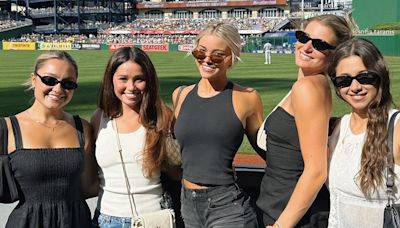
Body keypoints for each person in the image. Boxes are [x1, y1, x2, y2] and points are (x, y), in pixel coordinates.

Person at [256, 14, 353, 228]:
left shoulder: (308, 88)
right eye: (302, 37)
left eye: (319, 44)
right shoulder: (311, 84)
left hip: (290, 216)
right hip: (284, 209)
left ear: (335, 55)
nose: (306, 47)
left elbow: (316, 170)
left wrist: (283, 225)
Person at [172, 22, 264, 228]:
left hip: (227, 205)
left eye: (217, 55)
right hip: (187, 203)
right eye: (200, 52)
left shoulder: (247, 98)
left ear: (232, 57)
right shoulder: (180, 94)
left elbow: (264, 148)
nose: (207, 60)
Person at [0, 50, 98, 227]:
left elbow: (89, 187)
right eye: (49, 80)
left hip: (76, 222)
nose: (58, 89)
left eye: (68, 84)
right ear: (33, 79)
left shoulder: (82, 128)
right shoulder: (6, 129)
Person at [91, 47, 181, 228]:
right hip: (106, 219)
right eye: (123, 79)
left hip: (153, 219)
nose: (131, 87)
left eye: (139, 79)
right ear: (111, 80)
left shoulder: (163, 116)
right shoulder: (98, 118)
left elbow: (176, 170)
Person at [326, 38, 399, 227]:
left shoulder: (397, 126)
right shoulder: (338, 128)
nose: (355, 87)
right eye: (344, 80)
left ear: (380, 76)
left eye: (365, 77)